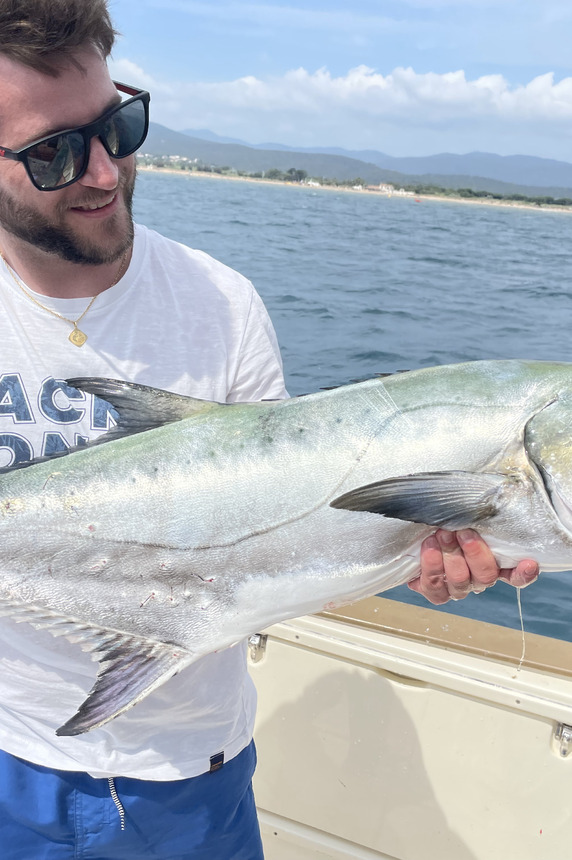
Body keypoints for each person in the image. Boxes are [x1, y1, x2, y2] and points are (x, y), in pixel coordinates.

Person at [0, 2, 539, 858]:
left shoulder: (222, 304)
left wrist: (422, 563)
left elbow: (267, 537)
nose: (105, 172)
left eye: (120, 126)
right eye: (53, 154)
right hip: (9, 754)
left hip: (193, 770)